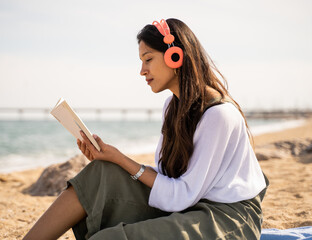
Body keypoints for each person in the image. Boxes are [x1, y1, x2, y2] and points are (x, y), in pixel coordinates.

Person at [23, 18, 268, 240]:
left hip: (228, 217)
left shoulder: (219, 115)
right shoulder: (172, 106)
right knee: (100, 173)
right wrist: (113, 160)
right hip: (188, 203)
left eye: (148, 59)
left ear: (175, 56)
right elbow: (167, 179)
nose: (142, 71)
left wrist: (121, 158)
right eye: (141, 61)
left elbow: (183, 194)